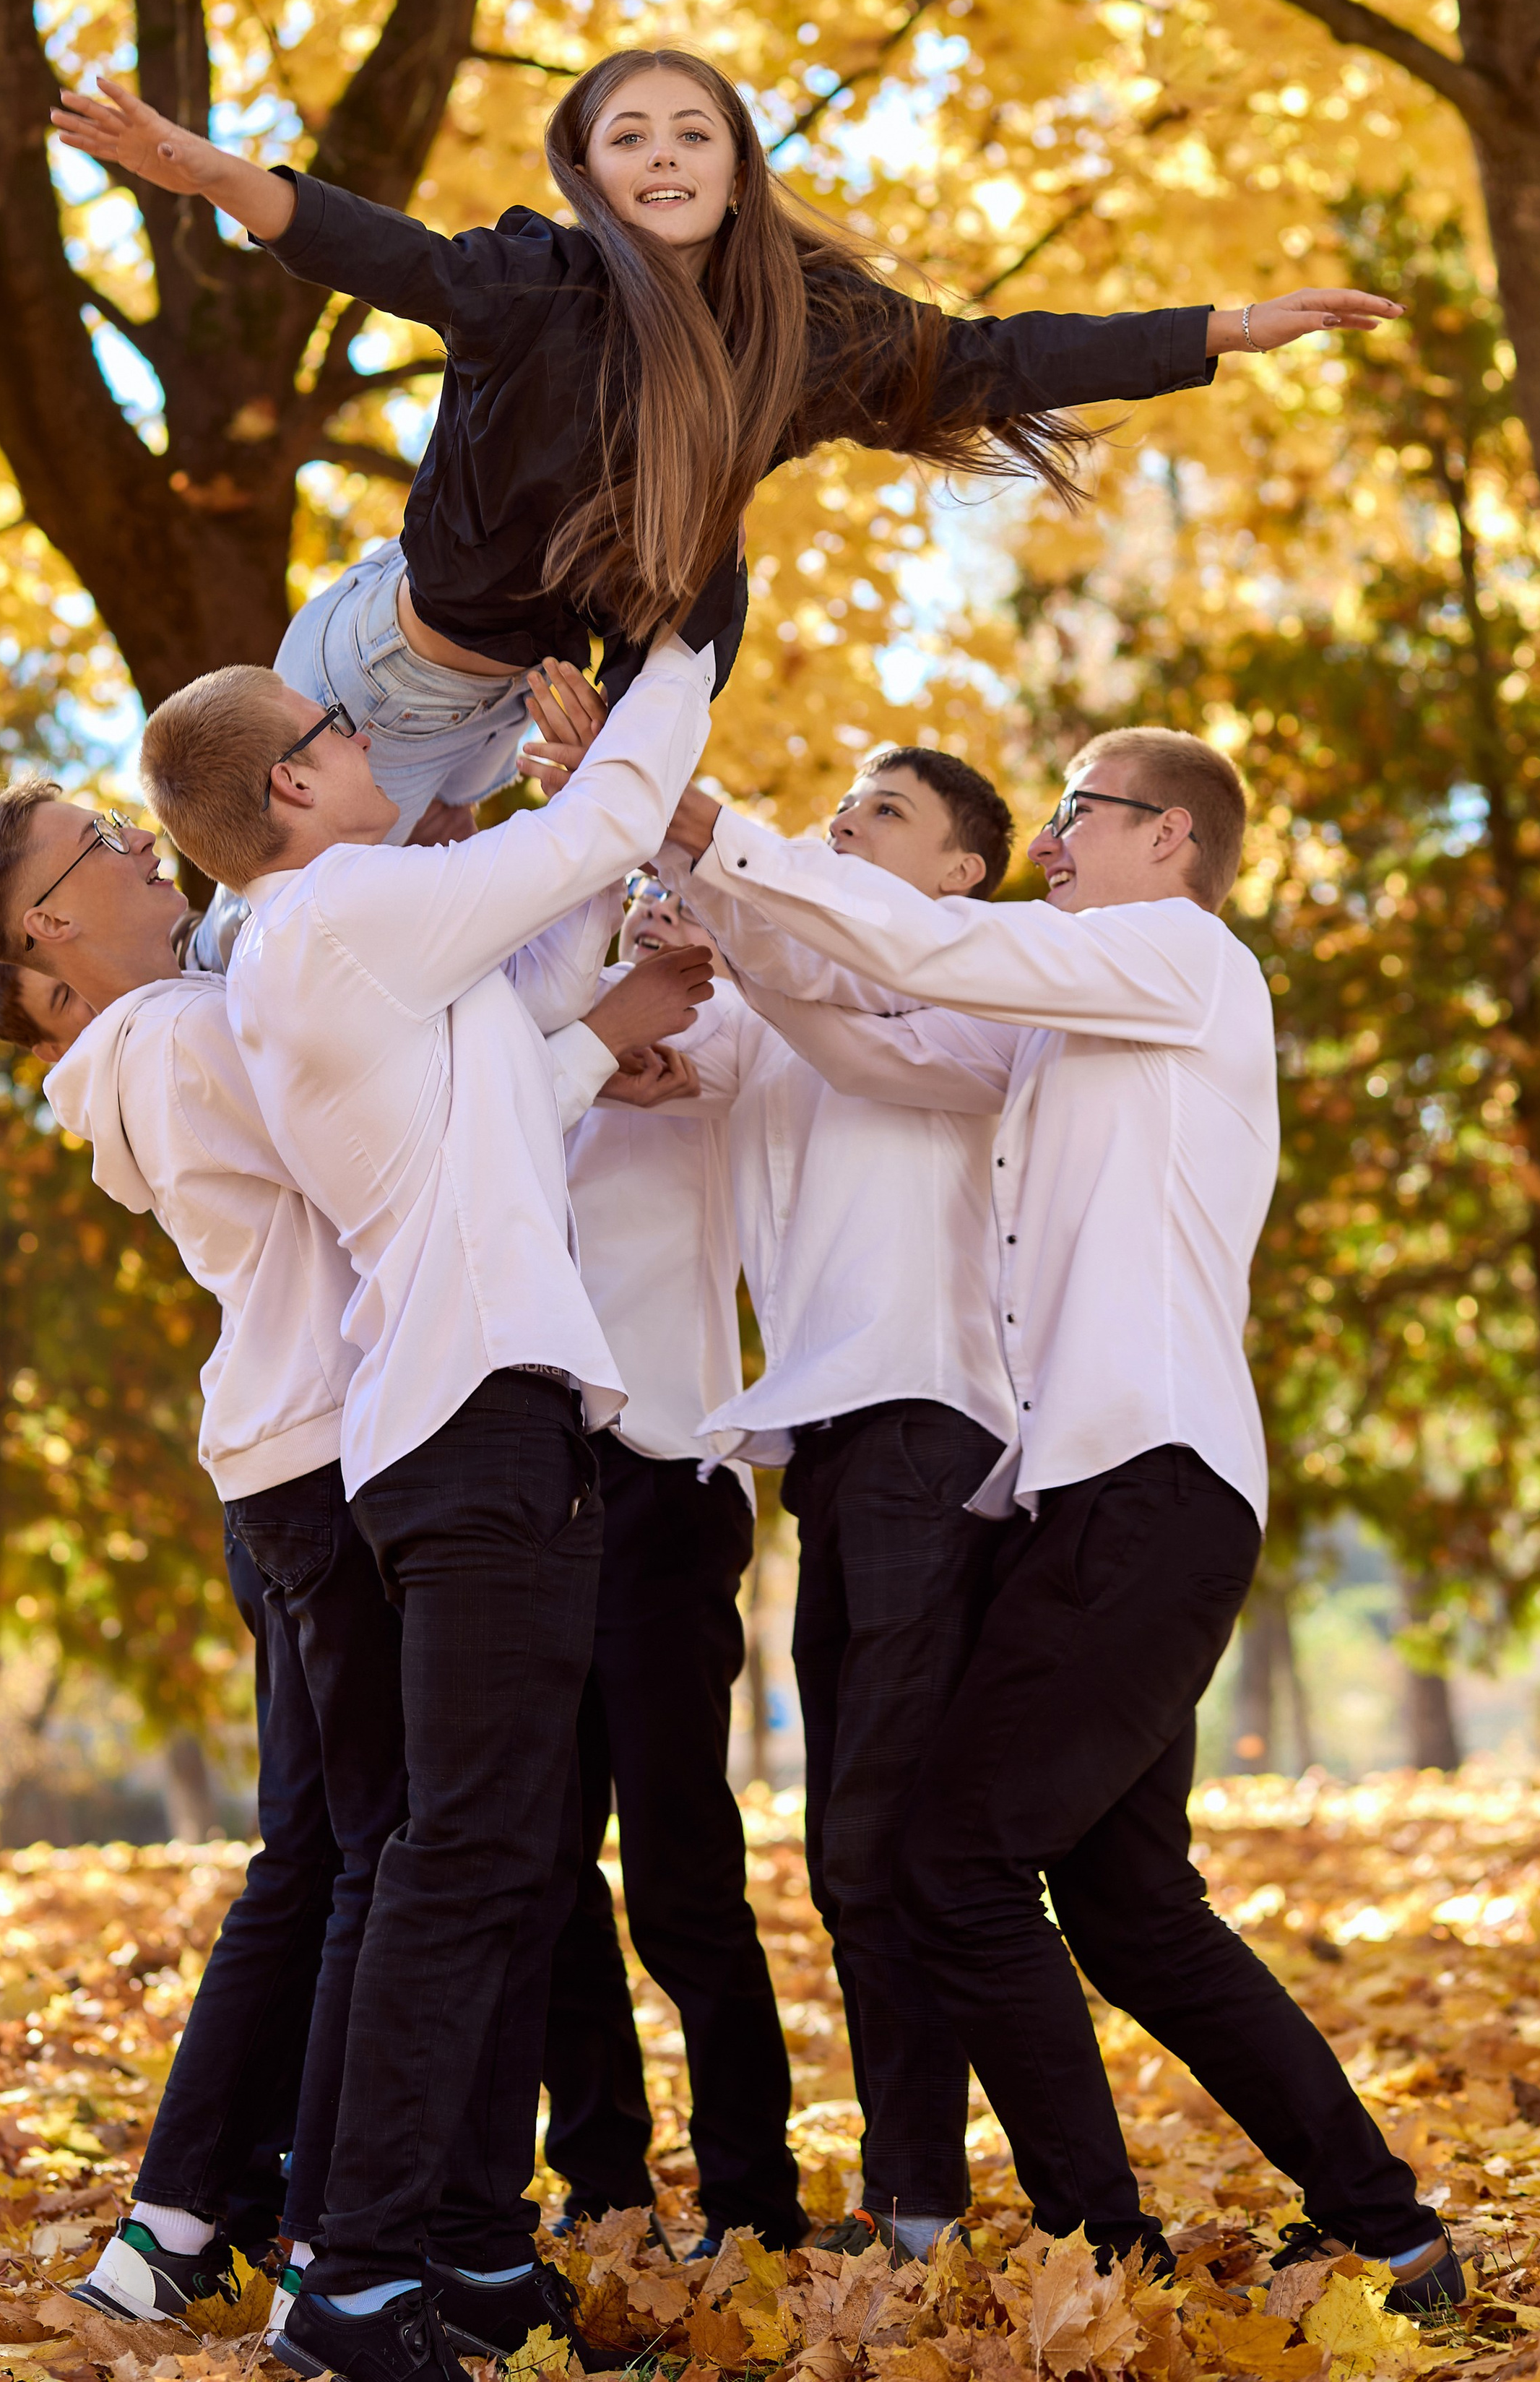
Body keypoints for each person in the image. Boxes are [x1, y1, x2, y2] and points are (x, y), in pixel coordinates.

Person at [664, 728, 1462, 2312]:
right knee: (1128, 1904)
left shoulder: (1182, 958)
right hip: (1085, 1500)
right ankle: (1391, 2234)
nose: (1047, 842)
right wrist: (718, 904)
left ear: (1170, 838)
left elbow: (927, 946)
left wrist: (718, 832)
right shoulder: (1059, 1026)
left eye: (1077, 814)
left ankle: (1104, 2251)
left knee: (954, 1861)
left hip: (1149, 1485)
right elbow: (874, 1043)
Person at [53, 43, 1401, 838]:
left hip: (526, 706)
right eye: (628, 136)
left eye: (693, 133)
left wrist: (1227, 327)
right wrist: (212, 172)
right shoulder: (534, 285)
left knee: (682, 604)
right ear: (589, 171)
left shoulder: (804, 337)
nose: (664, 154)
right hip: (377, 685)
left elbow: (995, 360)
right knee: (287, 931)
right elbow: (384, 251)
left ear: (738, 169)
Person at [137, 636, 715, 2382]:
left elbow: (516, 1039)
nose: (369, 739)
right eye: (339, 725)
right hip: (470, 1425)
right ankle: (357, 2279)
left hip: (470, 1419)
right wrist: (683, 641)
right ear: (291, 781)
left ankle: (456, 2255)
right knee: (463, 1858)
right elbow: (599, 828)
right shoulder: (330, 913)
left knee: (495, 1856)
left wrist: (595, 929)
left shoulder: (351, 944)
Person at [0, 797, 403, 2342]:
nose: (148, 848)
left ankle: (182, 2225)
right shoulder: (186, 1037)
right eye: (105, 845)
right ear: (49, 930)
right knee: (372, 1856)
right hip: (325, 1457)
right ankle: (332, 2238)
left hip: (276, 1464)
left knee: (312, 1858)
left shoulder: (157, 1037)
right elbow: (381, 1146)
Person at [636, 751, 1018, 2260]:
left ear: (957, 872)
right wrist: (664, 975)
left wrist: (719, 894)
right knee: (852, 1847)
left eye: (887, 812)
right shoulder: (792, 986)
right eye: (845, 804)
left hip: (931, 1425)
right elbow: (686, 1051)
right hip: (833, 1453)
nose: (847, 820)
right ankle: (913, 2200)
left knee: (881, 1840)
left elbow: (841, 1018)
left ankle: (939, 2203)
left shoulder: (973, 976)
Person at [537, 880, 807, 2258]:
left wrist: (700, 990)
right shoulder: (533, 1051)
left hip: (665, 1488)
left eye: (675, 895)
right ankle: (602, 2187)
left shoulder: (725, 1041)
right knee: (542, 1871)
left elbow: (743, 1053)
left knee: (682, 1875)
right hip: (525, 1498)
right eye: (632, 893)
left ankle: (755, 2201)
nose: (650, 912)